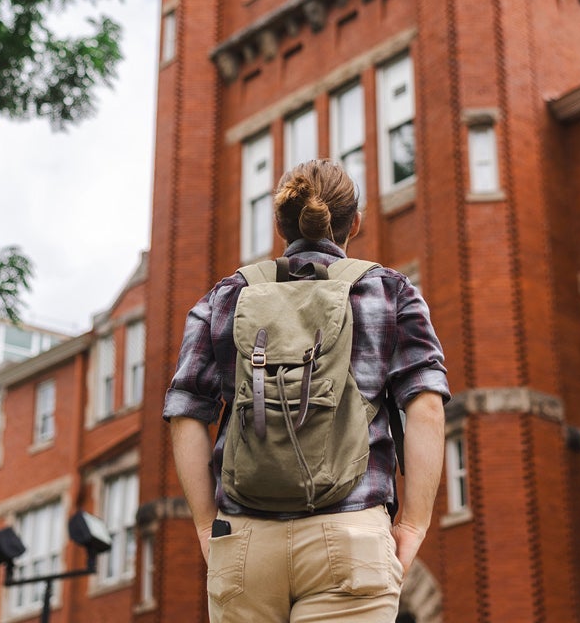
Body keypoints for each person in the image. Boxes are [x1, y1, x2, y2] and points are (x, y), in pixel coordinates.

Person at [164, 158, 451, 622]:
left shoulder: (224, 297)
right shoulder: (390, 291)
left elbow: (186, 413)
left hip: (244, 540)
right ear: (353, 223)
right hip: (352, 530)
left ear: (280, 225)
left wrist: (205, 524)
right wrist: (413, 524)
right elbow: (426, 407)